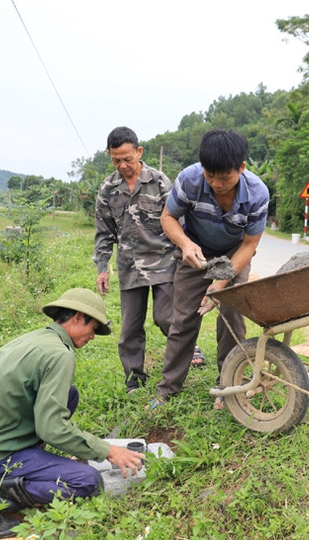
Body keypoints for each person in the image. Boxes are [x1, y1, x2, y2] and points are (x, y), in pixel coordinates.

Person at [0, 288, 145, 537]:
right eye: (94, 328)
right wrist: (107, 451)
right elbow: (52, 428)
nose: (93, 336)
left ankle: (31, 464)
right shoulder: (59, 355)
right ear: (77, 317)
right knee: (87, 481)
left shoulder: (32, 339)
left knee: (69, 395)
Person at [155, 129, 269, 407]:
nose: (216, 184)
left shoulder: (257, 193)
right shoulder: (189, 179)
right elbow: (168, 217)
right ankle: (168, 390)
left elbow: (250, 244)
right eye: (210, 176)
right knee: (183, 319)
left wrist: (219, 283)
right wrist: (184, 244)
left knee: (232, 317)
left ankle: (228, 386)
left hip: (234, 253)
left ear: (241, 168)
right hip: (196, 250)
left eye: (225, 177)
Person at [94, 126, 205, 395]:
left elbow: (178, 221)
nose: (122, 165)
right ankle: (134, 376)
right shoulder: (108, 189)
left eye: (127, 159)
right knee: (130, 326)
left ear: (139, 152)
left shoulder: (160, 181)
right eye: (116, 160)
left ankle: (190, 350)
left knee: (166, 317)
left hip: (164, 260)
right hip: (130, 266)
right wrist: (102, 267)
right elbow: (104, 231)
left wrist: (186, 251)